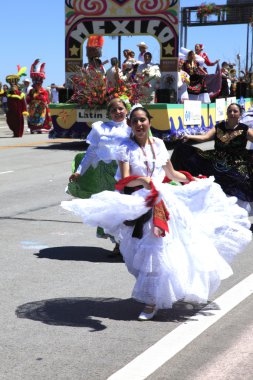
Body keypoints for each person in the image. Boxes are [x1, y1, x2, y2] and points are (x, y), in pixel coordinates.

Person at [62, 106, 252, 321]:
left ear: (149, 122)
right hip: (140, 201)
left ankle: (153, 300)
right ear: (131, 125)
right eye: (135, 121)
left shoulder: (159, 145)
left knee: (163, 249)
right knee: (140, 255)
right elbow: (124, 180)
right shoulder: (125, 148)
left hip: (165, 200)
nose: (139, 124)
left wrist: (193, 180)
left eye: (142, 120)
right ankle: (155, 295)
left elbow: (171, 173)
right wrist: (142, 180)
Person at [68, 97, 131, 257]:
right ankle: (117, 243)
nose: (118, 112)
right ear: (109, 113)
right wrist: (79, 171)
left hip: (123, 173)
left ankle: (127, 243)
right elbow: (91, 152)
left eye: (121, 108)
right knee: (109, 209)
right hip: (104, 174)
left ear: (126, 110)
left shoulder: (132, 128)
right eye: (114, 110)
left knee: (123, 208)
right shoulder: (100, 128)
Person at [171, 103, 253, 206]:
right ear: (226, 113)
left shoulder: (245, 129)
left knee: (242, 183)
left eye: (235, 111)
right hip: (217, 157)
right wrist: (189, 136)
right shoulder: (219, 126)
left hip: (236, 161)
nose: (232, 113)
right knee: (183, 151)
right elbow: (205, 137)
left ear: (240, 114)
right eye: (229, 111)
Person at [26, 59, 52, 133]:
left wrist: (39, 96)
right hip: (33, 108)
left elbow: (45, 99)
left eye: (38, 84)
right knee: (32, 118)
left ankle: (42, 128)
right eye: (35, 84)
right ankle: (33, 128)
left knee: (42, 117)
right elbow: (28, 100)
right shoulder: (31, 90)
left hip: (41, 108)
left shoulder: (43, 91)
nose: (36, 85)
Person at [5, 67, 28, 138]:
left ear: (17, 87)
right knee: (10, 122)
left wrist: (24, 110)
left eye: (14, 86)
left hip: (18, 111)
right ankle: (15, 132)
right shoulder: (9, 93)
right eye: (12, 86)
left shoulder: (20, 94)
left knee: (19, 123)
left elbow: (23, 103)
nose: (13, 87)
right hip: (11, 112)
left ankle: (18, 134)